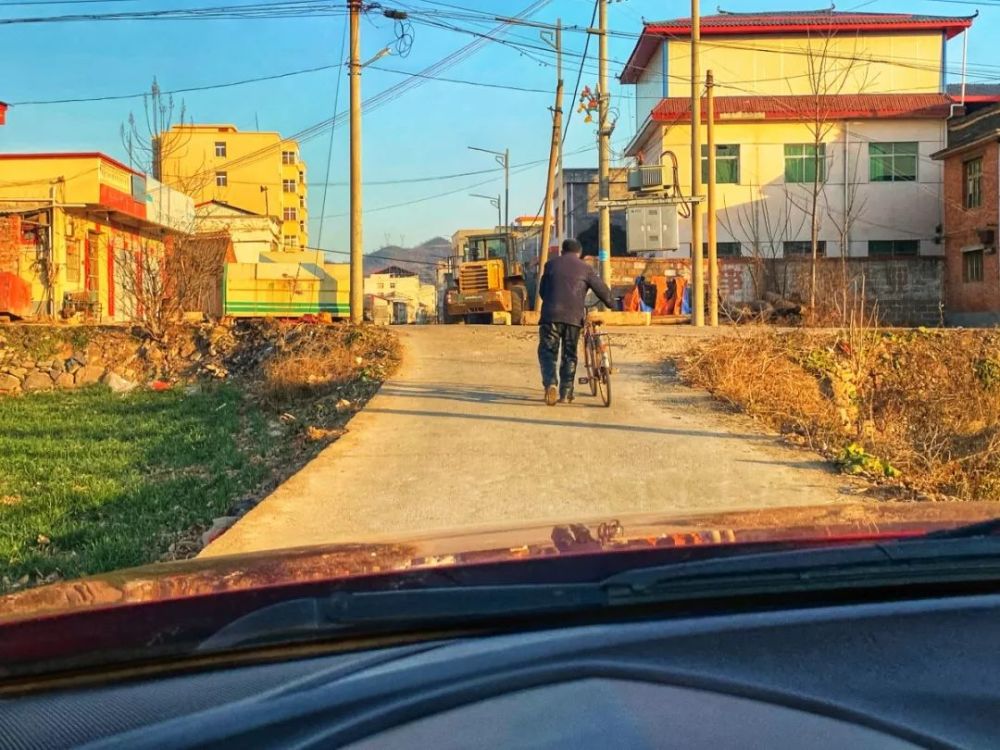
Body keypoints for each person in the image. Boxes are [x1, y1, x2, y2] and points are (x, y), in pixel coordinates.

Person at [536, 238, 615, 405]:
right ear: (579, 253)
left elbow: (542, 292)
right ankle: (566, 393)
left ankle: (550, 384)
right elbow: (601, 289)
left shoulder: (550, 265)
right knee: (569, 354)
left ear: (562, 251)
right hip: (574, 318)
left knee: (548, 352)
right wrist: (612, 303)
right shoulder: (586, 268)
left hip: (551, 316)